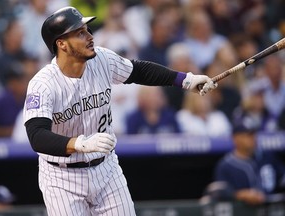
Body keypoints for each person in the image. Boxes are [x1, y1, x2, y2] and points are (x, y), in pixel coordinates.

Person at [23, 6, 217, 216]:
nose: (90, 36)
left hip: (106, 169)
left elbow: (139, 70)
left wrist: (186, 80)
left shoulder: (102, 59)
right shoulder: (43, 84)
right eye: (80, 33)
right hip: (61, 177)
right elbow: (37, 136)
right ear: (61, 44)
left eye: (88, 30)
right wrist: (79, 143)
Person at [214, 119, 285, 205]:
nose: (253, 138)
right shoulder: (225, 165)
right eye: (248, 135)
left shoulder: (267, 156)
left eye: (254, 134)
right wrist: (241, 195)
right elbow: (220, 193)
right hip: (244, 210)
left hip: (271, 207)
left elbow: (282, 177)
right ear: (235, 139)